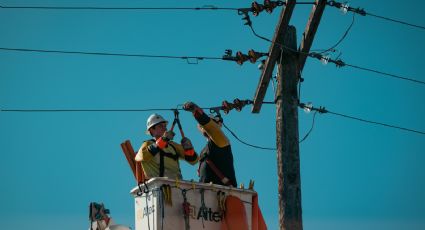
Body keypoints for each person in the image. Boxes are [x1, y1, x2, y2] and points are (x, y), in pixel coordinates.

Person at [183, 102, 237, 187]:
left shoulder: (222, 141)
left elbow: (209, 126)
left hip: (222, 192)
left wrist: (195, 110)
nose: (203, 127)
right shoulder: (205, 150)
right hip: (205, 192)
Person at [135, 113, 199, 180]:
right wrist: (162, 141)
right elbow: (140, 157)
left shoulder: (172, 146)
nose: (164, 128)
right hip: (158, 186)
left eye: (165, 126)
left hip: (178, 186)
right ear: (151, 130)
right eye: (160, 126)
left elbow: (194, 161)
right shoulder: (147, 144)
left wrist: (189, 149)